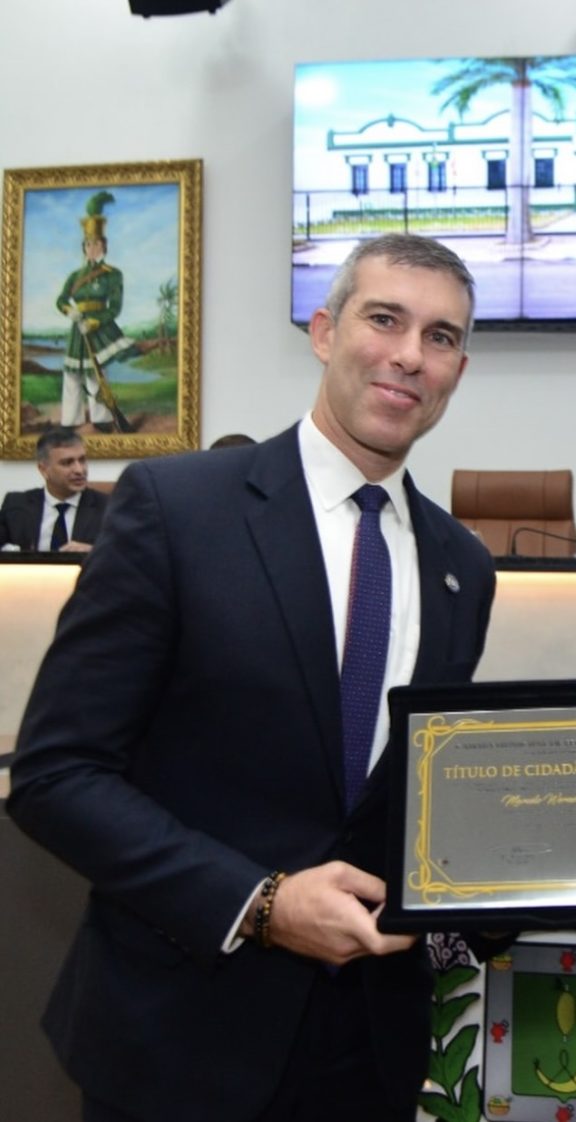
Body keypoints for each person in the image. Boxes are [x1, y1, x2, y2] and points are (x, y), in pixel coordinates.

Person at [8, 234, 496, 1122]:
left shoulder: (463, 565)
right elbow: (56, 773)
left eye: (440, 337)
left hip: (367, 1052)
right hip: (178, 1041)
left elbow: (404, 802)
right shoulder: (175, 508)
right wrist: (258, 904)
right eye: (384, 319)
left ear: (458, 370)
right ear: (324, 331)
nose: (408, 355)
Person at [55, 191, 147, 432]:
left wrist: (95, 322)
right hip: (77, 329)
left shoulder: (112, 275)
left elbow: (115, 308)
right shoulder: (74, 276)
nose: (92, 247)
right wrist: (69, 310)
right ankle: (70, 420)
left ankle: (102, 418)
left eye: (96, 243)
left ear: (104, 246)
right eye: (88, 243)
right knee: (72, 374)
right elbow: (61, 299)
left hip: (98, 329)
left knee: (95, 374)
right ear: (83, 247)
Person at [0, 428, 107, 552]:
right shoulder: (16, 504)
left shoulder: (107, 507)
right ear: (43, 470)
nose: (79, 470)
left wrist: (93, 551)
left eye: (82, 460)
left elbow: (123, 553)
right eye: (67, 463)